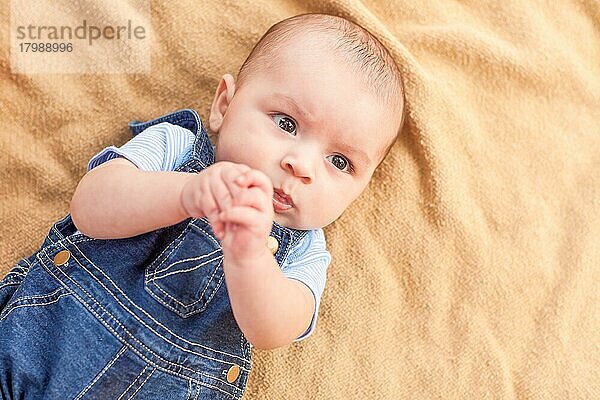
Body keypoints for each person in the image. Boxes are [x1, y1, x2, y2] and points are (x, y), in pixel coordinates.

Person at [0, 13, 404, 399]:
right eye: (286, 124)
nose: (300, 166)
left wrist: (249, 258)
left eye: (340, 162)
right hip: (41, 340)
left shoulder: (306, 251)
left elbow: (273, 329)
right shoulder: (177, 146)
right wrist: (186, 194)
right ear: (224, 106)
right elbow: (90, 207)